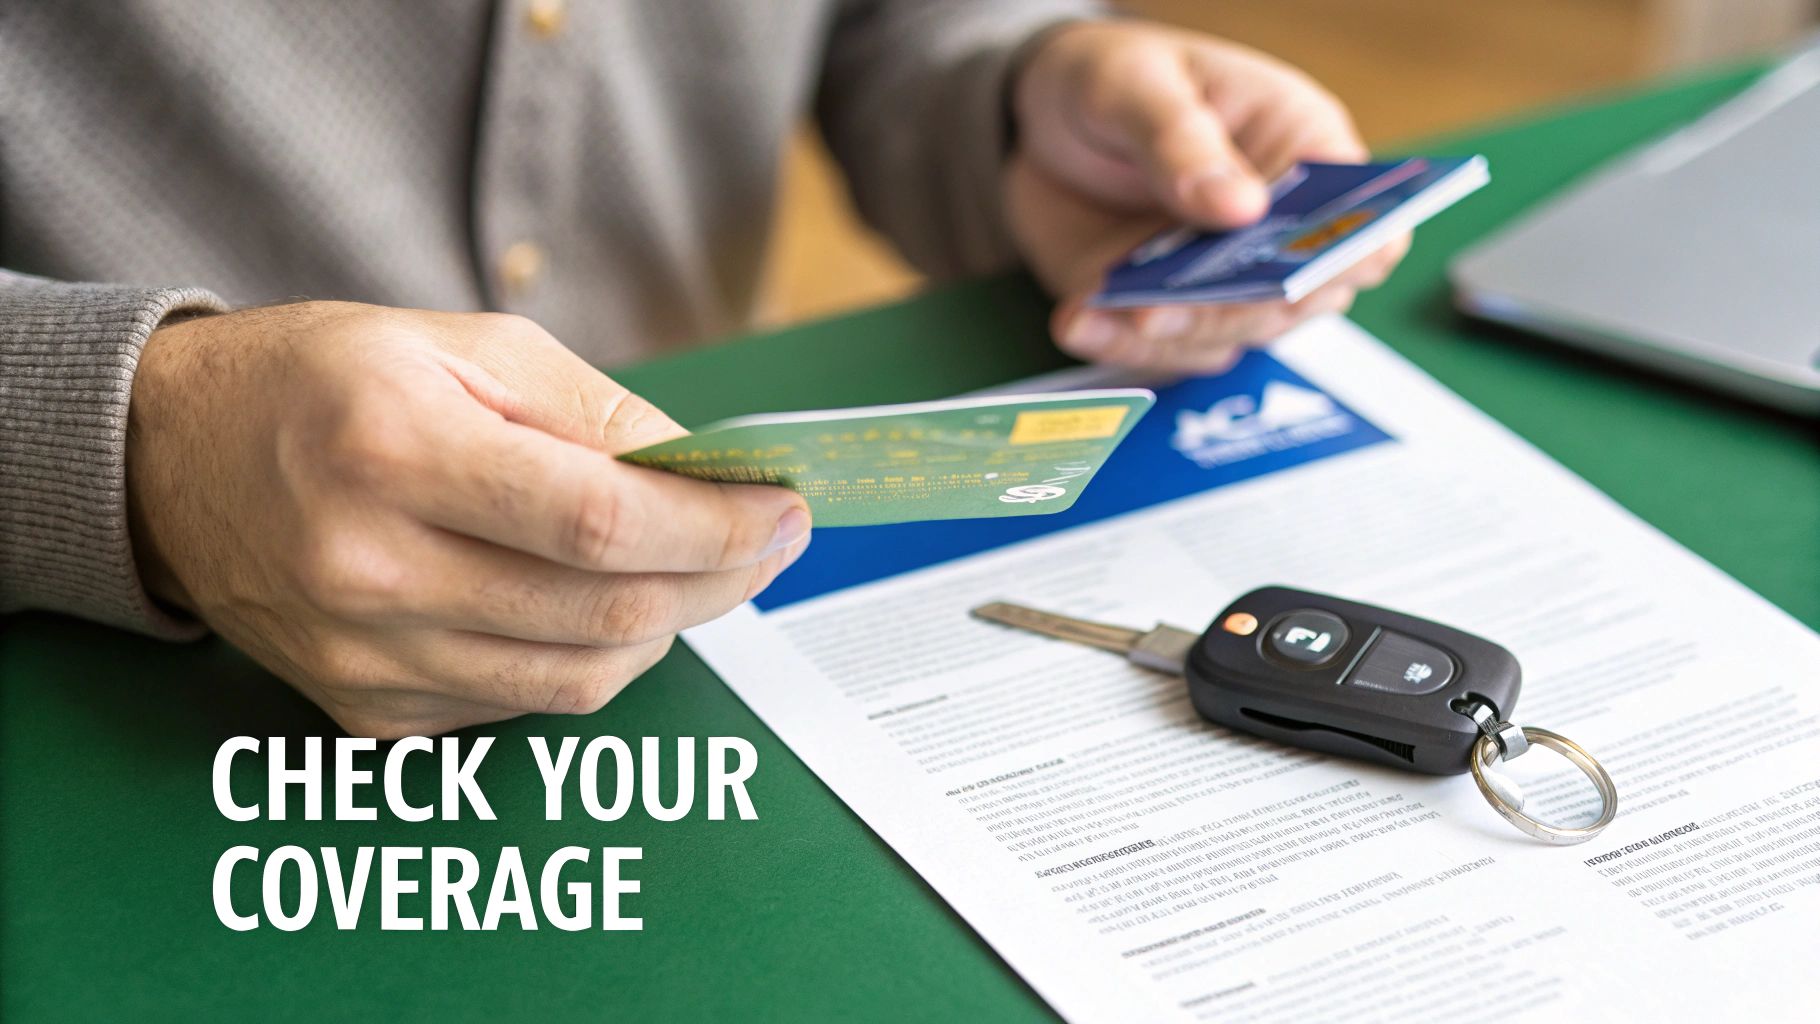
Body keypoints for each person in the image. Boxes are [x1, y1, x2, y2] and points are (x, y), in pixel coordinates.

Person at [0, 1, 1407, 737]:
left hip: (735, 645)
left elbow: (883, 20)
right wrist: (138, 437)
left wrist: (1012, 83)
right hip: (124, 691)